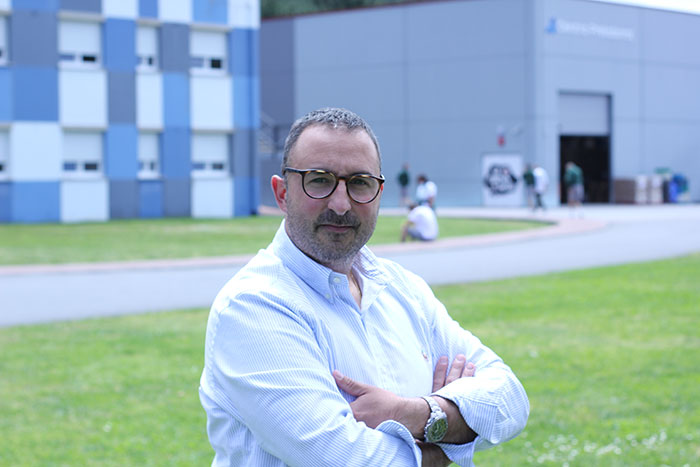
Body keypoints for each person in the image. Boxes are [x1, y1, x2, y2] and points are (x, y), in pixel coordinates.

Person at [199, 107, 528, 466]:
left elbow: (511, 400)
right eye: (319, 180)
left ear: (379, 192)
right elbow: (346, 459)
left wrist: (418, 414)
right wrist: (454, 437)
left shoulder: (403, 289)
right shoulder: (253, 306)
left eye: (359, 183)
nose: (341, 204)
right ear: (282, 193)